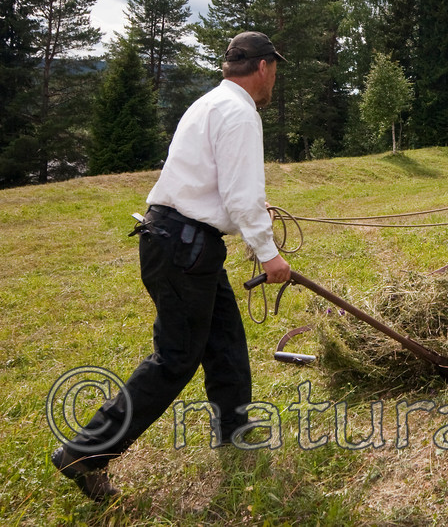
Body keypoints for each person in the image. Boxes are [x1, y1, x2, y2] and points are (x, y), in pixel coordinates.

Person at [51, 31, 292, 502]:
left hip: (178, 240)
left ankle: (235, 433)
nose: (273, 80)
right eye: (275, 70)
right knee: (177, 356)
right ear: (263, 67)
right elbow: (240, 197)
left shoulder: (208, 104)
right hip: (185, 246)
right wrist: (269, 254)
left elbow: (220, 186)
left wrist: (249, 218)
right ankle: (85, 452)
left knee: (223, 339)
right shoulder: (241, 113)